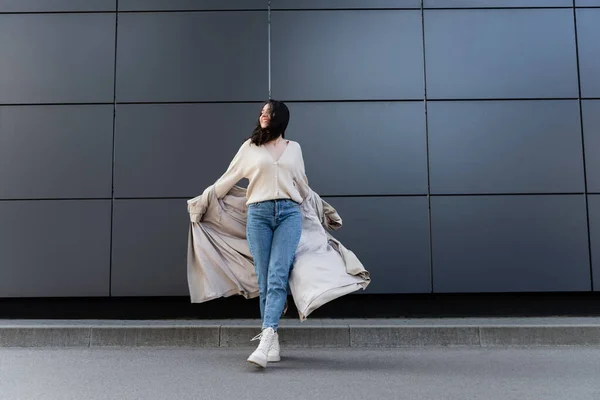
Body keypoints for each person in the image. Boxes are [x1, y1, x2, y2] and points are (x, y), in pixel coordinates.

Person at [208, 100, 309, 368]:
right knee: (264, 279)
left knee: (278, 275)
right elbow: (228, 179)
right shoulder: (250, 147)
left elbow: (302, 183)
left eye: (269, 112)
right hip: (258, 215)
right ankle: (272, 337)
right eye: (262, 112)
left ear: (280, 118)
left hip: (289, 214)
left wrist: (321, 209)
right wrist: (203, 201)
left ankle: (265, 341)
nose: (263, 115)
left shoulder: (294, 149)